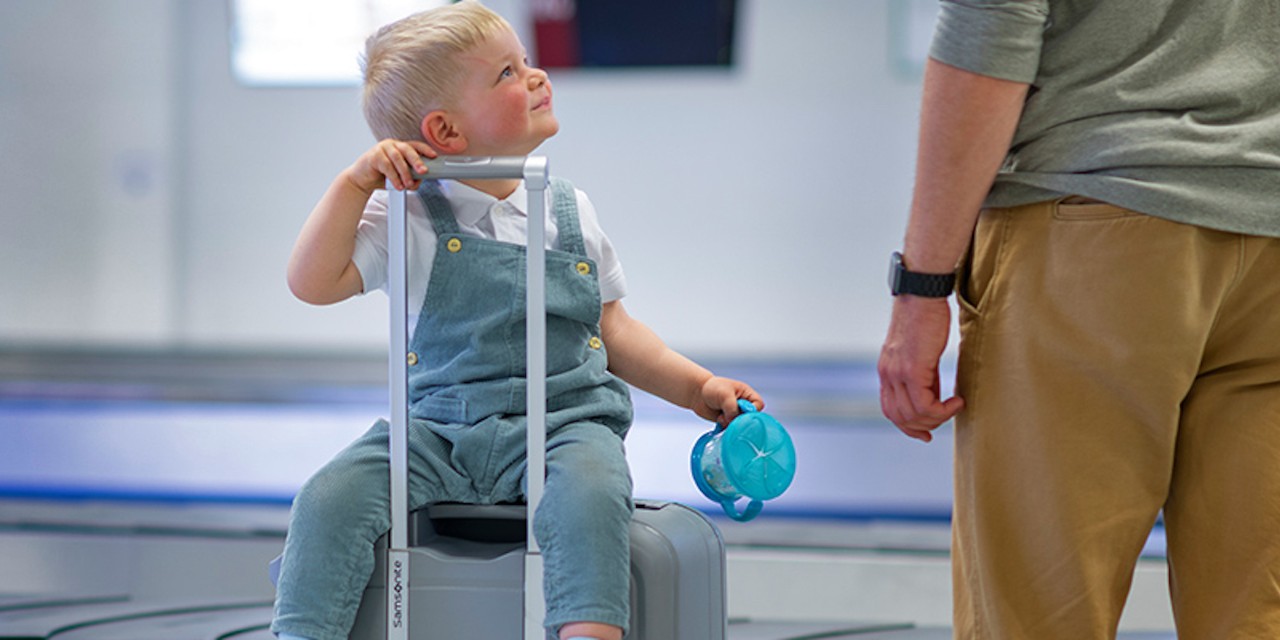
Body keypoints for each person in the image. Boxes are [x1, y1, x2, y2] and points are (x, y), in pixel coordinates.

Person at [272, 3, 762, 640]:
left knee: (590, 496)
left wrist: (698, 388)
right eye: (507, 71)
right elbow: (311, 283)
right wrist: (354, 184)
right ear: (446, 132)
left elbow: (612, 328)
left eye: (526, 61)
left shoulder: (568, 211)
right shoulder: (408, 218)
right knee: (328, 497)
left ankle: (587, 629)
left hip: (564, 423)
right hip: (440, 431)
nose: (535, 76)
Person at [877, 1, 1280, 637]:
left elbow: (989, 36)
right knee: (1256, 618)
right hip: (1270, 237)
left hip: (1097, 225)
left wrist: (922, 288)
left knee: (1038, 618)